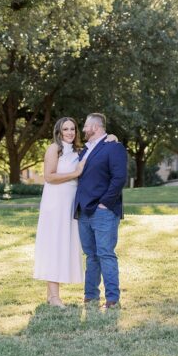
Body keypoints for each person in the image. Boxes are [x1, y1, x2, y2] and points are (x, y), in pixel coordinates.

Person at [74, 112, 128, 309]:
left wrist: (105, 203)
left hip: (103, 211)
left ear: (95, 127)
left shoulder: (113, 147)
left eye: (85, 126)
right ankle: (90, 296)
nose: (83, 130)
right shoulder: (85, 150)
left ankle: (112, 299)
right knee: (91, 255)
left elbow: (119, 178)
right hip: (83, 210)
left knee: (105, 253)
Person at [34, 117, 87, 306]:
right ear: (59, 132)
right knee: (54, 244)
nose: (70, 132)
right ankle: (55, 297)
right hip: (55, 202)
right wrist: (75, 173)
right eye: (66, 129)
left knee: (63, 244)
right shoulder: (54, 148)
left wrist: (112, 137)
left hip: (70, 203)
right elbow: (49, 177)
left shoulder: (78, 151)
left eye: (73, 129)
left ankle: (51, 296)